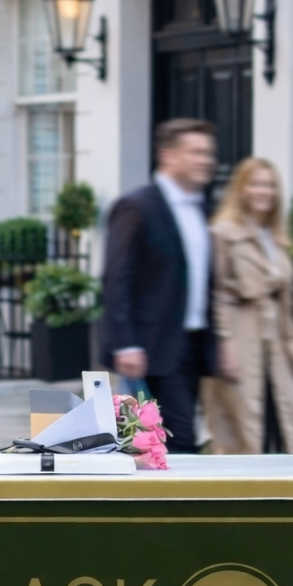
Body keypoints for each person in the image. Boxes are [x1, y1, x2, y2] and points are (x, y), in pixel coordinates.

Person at [103, 118, 217, 452]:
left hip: (193, 343)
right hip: (151, 346)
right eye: (196, 152)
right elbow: (116, 277)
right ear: (168, 155)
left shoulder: (204, 209)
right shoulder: (136, 206)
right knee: (171, 438)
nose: (206, 160)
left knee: (167, 440)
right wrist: (125, 343)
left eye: (209, 153)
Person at [206, 157, 293, 455]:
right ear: (241, 188)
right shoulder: (223, 233)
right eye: (256, 183)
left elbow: (287, 302)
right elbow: (217, 293)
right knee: (241, 427)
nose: (264, 191)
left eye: (270, 184)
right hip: (241, 336)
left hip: (279, 343)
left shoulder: (278, 238)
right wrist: (225, 343)